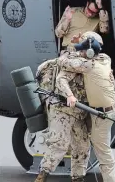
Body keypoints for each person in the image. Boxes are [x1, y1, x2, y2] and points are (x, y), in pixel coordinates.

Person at [56, 31, 115, 182]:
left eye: (83, 50)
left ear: (91, 52)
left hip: (102, 115)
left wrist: (70, 47)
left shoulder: (88, 65)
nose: (81, 52)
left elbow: (62, 61)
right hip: (106, 110)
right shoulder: (105, 59)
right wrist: (80, 43)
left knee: (103, 154)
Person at [34, 53, 91, 182]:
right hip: (61, 109)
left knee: (82, 146)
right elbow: (61, 80)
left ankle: (78, 177)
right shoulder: (73, 63)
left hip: (78, 112)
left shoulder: (88, 63)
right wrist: (70, 95)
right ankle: (42, 175)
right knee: (59, 144)